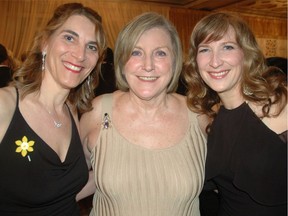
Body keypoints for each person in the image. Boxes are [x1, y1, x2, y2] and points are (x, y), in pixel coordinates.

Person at [80, 12, 208, 216]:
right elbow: (71, 182)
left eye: (160, 53)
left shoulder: (199, 116)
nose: (148, 65)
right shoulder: (97, 112)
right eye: (136, 52)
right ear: (121, 61)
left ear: (175, 62)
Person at [0, 2, 106, 215]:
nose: (80, 54)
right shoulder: (5, 106)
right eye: (69, 38)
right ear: (45, 43)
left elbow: (61, 192)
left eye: (92, 46)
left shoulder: (72, 111)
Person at [183, 12, 287, 216]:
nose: (215, 61)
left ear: (246, 53)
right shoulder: (210, 115)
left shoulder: (277, 103)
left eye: (227, 47)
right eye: (205, 50)